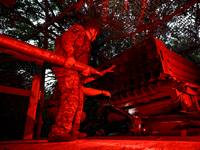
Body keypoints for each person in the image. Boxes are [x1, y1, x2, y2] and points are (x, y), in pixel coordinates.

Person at [47, 21, 115, 142]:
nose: (94, 39)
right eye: (96, 35)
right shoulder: (79, 30)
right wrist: (69, 56)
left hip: (73, 70)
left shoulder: (86, 46)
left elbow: (82, 67)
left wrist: (87, 71)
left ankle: (74, 130)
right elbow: (67, 39)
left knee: (79, 99)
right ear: (93, 31)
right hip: (64, 65)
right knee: (71, 96)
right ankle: (59, 131)